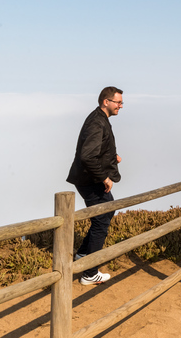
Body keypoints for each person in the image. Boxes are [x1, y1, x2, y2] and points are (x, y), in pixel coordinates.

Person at [66, 86, 124, 285]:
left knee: (107, 212)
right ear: (106, 101)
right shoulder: (97, 123)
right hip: (90, 180)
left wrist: (112, 157)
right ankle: (89, 273)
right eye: (118, 102)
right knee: (102, 220)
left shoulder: (99, 118)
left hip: (89, 179)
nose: (121, 106)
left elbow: (95, 149)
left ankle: (83, 255)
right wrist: (104, 178)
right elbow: (88, 156)